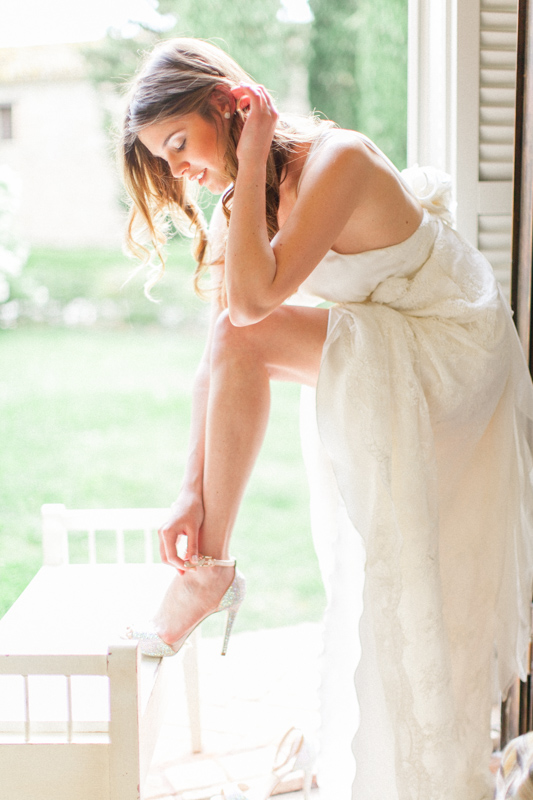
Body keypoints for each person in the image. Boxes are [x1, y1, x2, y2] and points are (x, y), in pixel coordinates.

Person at [120, 37, 533, 800]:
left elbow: (251, 307)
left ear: (228, 105)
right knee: (231, 339)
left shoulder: (334, 160)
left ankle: (209, 575)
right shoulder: (248, 194)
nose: (178, 169)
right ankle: (209, 562)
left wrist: (243, 170)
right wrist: (188, 489)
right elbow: (225, 339)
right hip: (399, 332)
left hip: (454, 348)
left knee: (241, 328)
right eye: (162, 159)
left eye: (180, 143)